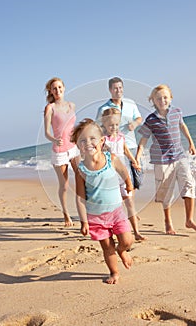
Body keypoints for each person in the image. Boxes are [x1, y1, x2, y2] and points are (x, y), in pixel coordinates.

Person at [70, 118, 133, 284]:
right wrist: (84, 221)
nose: (88, 143)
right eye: (83, 140)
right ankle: (114, 272)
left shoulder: (110, 158)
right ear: (78, 145)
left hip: (116, 211)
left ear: (102, 140)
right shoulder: (81, 170)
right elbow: (80, 197)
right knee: (107, 246)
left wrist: (128, 183)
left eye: (92, 138)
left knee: (127, 241)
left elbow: (123, 170)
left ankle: (122, 251)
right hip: (95, 216)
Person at [135, 84, 196, 235]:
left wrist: (191, 143)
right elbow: (144, 139)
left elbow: (183, 126)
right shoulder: (151, 120)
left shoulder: (177, 112)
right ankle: (168, 221)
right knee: (166, 193)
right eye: (158, 98)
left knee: (189, 184)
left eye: (165, 97)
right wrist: (138, 155)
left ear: (170, 98)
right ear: (153, 101)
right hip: (162, 161)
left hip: (180, 156)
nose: (162, 100)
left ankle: (189, 219)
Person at [101, 108, 146, 241]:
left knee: (130, 203)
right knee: (115, 205)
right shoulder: (103, 140)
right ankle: (113, 230)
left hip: (124, 174)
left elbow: (126, 151)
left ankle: (136, 232)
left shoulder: (121, 137)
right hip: (110, 176)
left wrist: (134, 162)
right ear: (104, 125)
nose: (114, 127)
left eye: (116, 124)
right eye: (110, 125)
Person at [44, 77, 80, 227]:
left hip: (73, 148)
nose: (57, 90)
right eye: (54, 88)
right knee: (64, 185)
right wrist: (54, 139)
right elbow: (46, 132)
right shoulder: (50, 108)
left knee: (81, 179)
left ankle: (84, 211)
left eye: (59, 87)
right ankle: (66, 214)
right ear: (51, 91)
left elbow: (73, 127)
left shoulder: (72, 105)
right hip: (59, 151)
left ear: (64, 88)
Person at [96, 77, 142, 175]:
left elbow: (139, 118)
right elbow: (97, 128)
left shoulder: (130, 103)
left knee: (138, 177)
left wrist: (134, 123)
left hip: (132, 145)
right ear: (110, 90)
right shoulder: (103, 109)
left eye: (120, 87)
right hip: (116, 148)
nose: (118, 91)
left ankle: (131, 190)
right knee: (125, 178)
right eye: (115, 88)